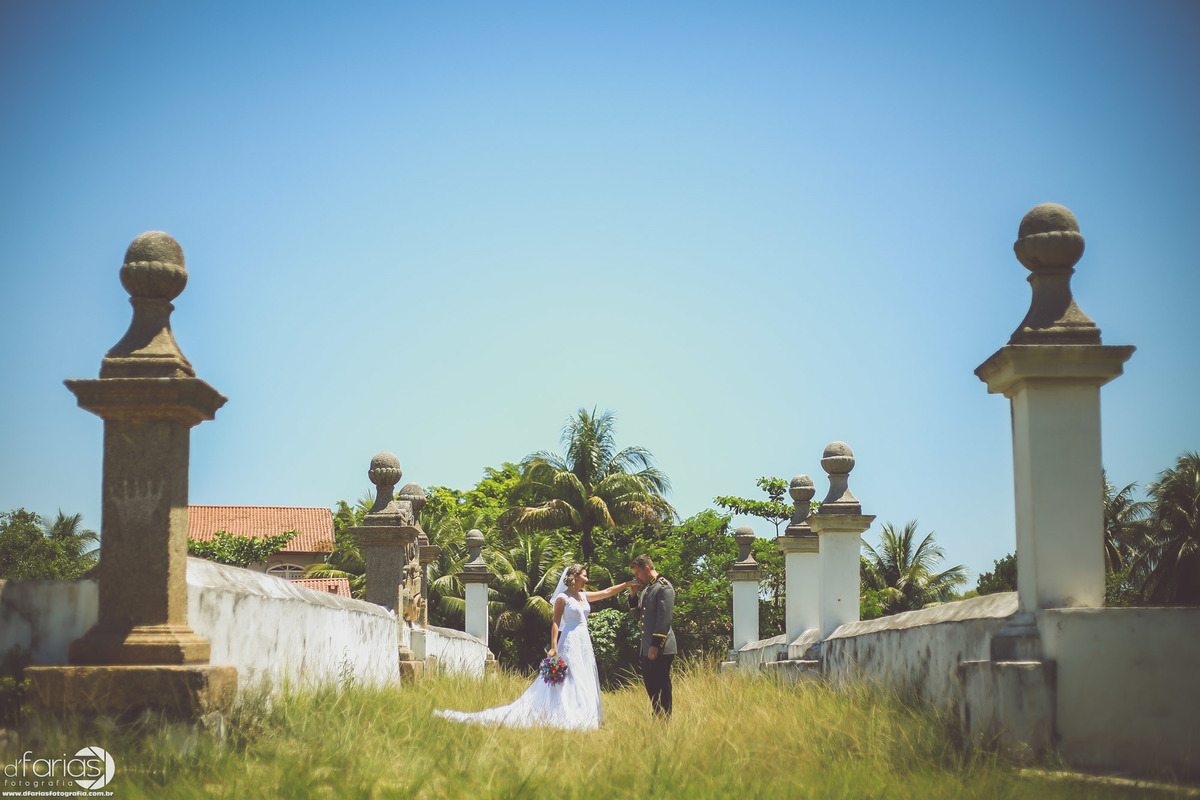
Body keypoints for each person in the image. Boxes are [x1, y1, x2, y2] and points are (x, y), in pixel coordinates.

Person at [434, 564, 635, 730]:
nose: (587, 576)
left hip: (584, 641)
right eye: (584, 574)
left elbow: (608, 592)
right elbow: (556, 623)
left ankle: (586, 713)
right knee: (570, 677)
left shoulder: (582, 596)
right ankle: (566, 713)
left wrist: (627, 584)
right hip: (571, 640)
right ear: (574, 577)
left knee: (584, 675)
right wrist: (554, 647)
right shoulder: (563, 598)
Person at [628, 554, 676, 717]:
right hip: (647, 647)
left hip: (661, 648)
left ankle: (665, 720)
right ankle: (658, 717)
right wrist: (633, 596)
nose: (637, 578)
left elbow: (664, 619)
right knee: (651, 687)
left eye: (638, 574)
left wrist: (655, 645)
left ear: (647, 569)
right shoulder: (647, 589)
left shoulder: (664, 587)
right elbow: (637, 616)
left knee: (662, 686)